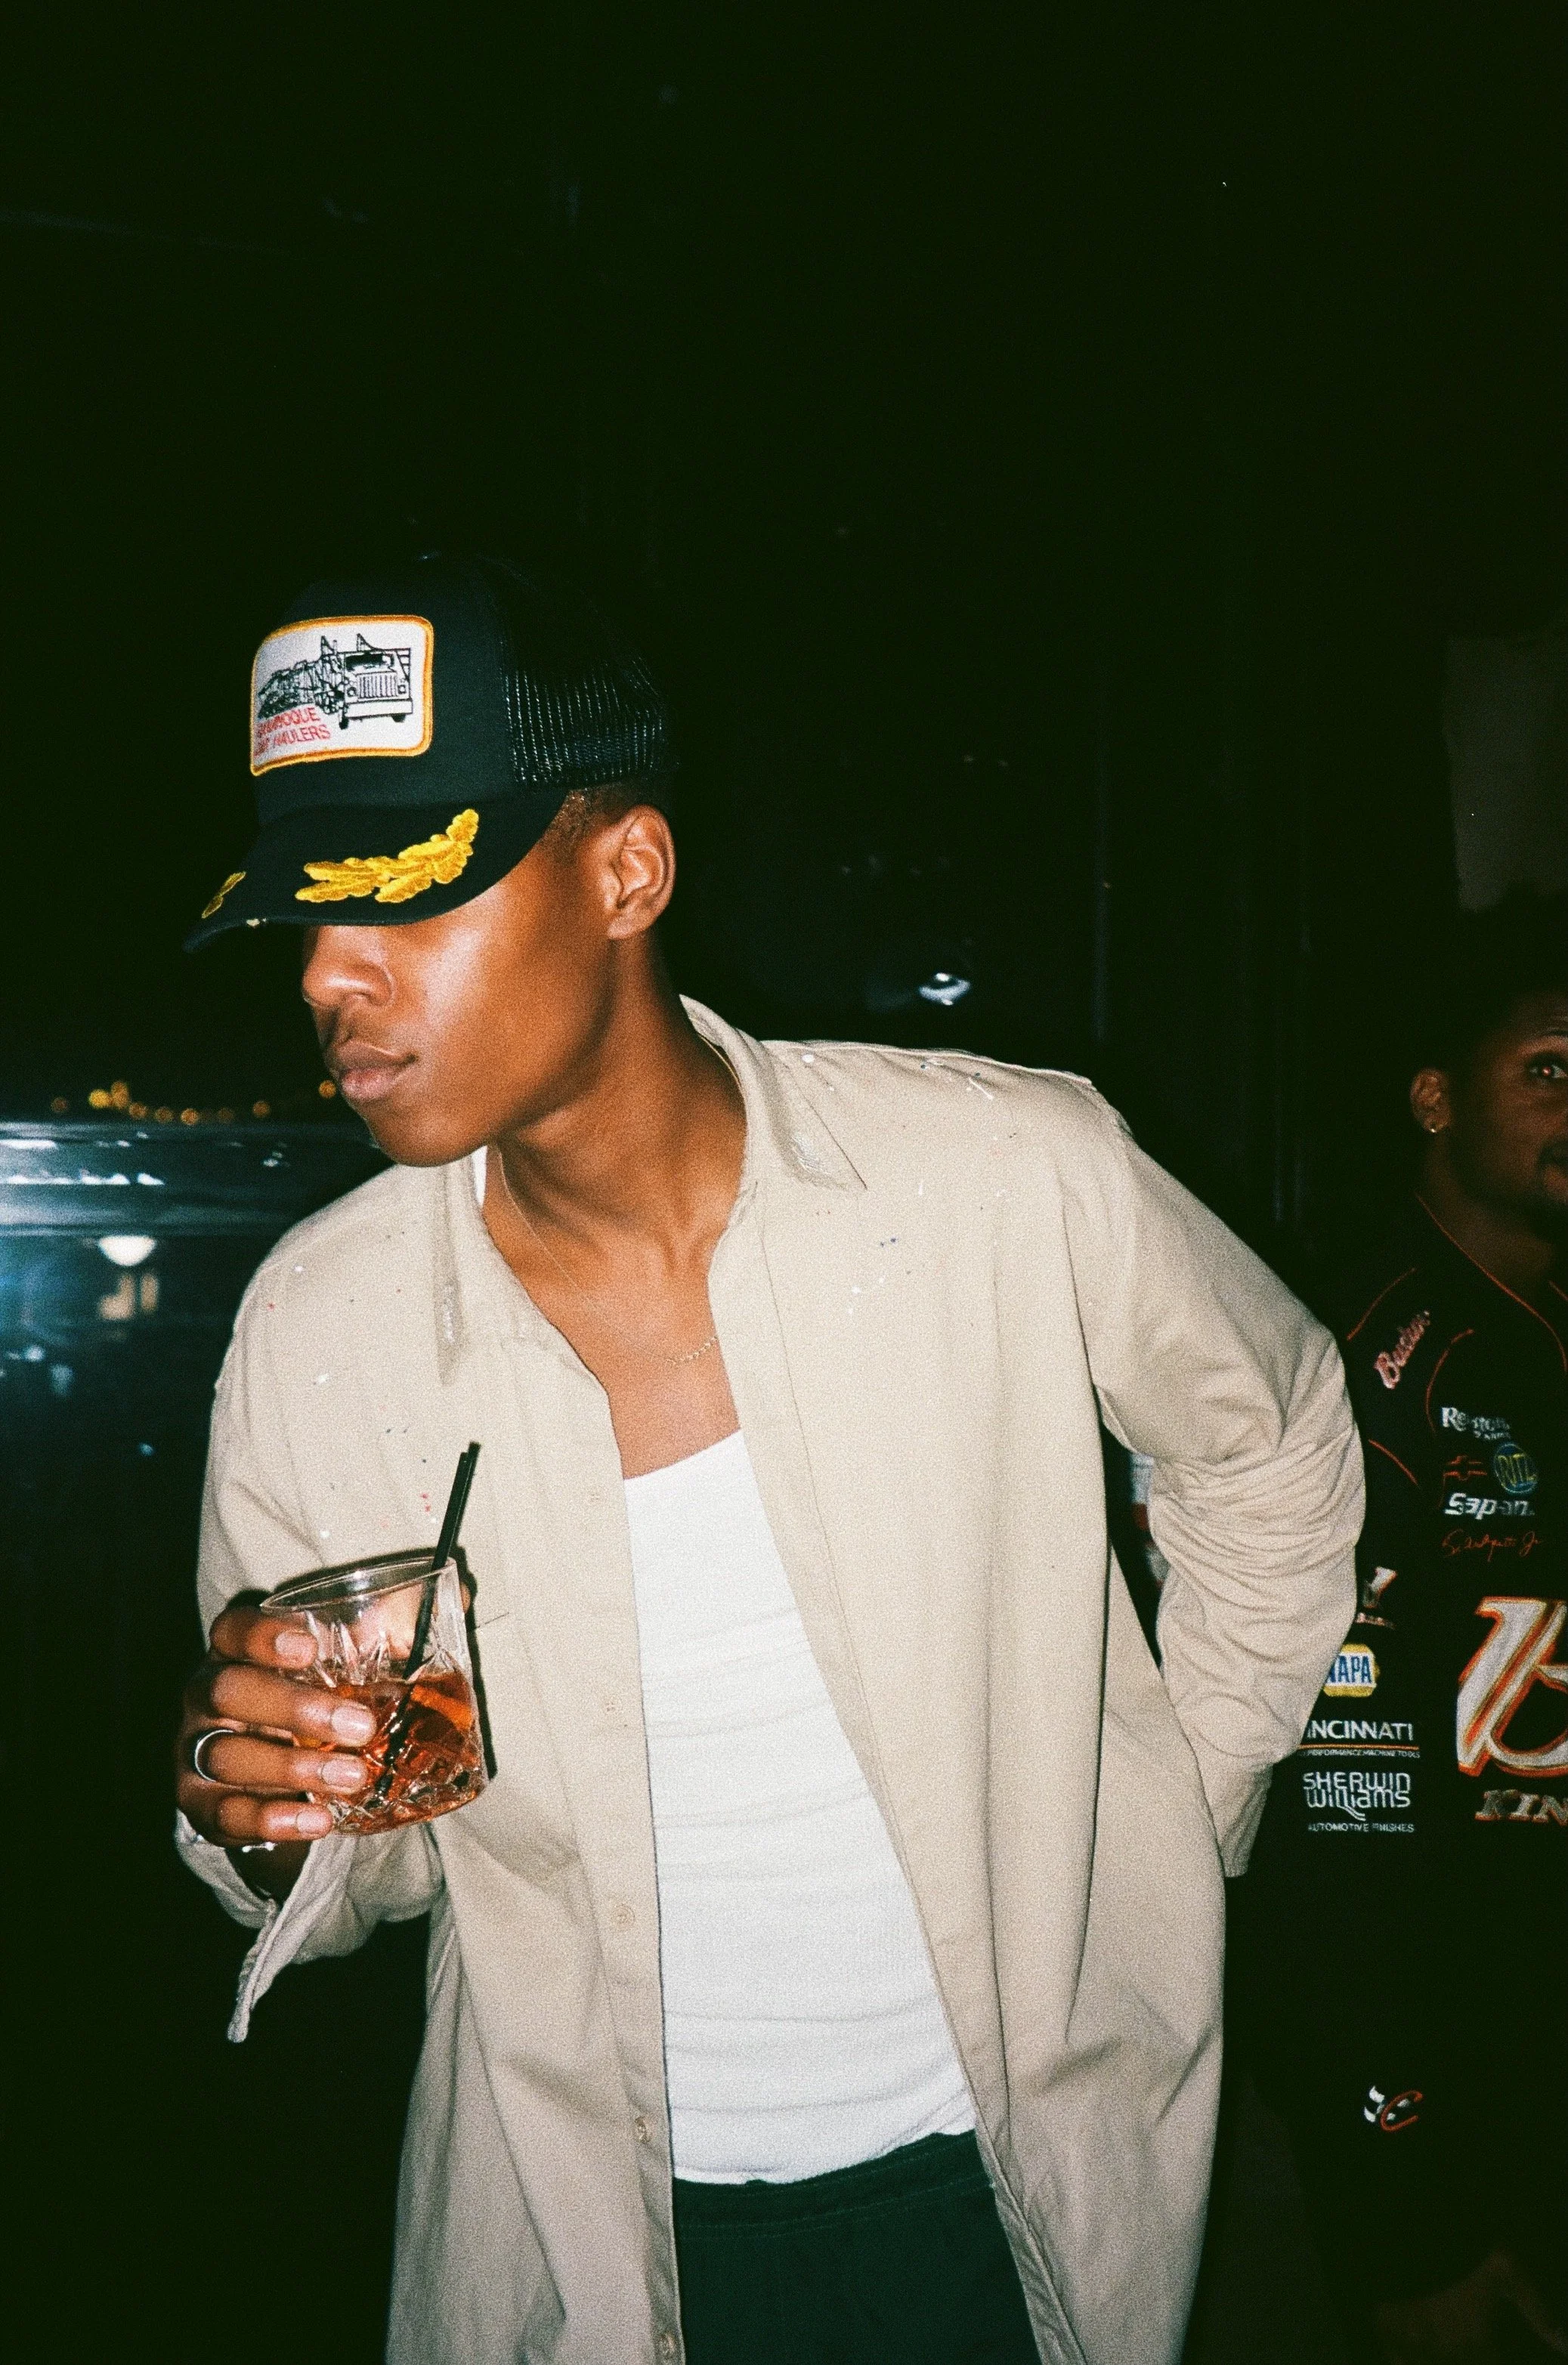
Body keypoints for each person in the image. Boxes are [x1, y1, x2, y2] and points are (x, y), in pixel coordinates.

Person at [173, 552, 1361, 2365]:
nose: (331, 973)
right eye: (301, 913)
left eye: (407, 896)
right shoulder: (318, 1329)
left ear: (623, 871)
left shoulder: (999, 1177)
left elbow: (1271, 1441)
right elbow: (374, 1860)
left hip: (1023, 2200)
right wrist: (254, 1798)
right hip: (582, 2248)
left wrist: (1156, 1824)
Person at [1241, 894, 1568, 2365]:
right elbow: (1335, 1815)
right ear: (1434, 1097)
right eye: (1547, 1069)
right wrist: (1400, 2187)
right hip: (1445, 2074)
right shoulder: (1366, 1365)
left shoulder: (1535, 1329)